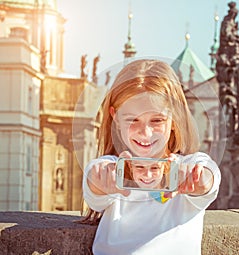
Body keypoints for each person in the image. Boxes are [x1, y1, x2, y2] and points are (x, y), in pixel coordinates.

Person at [82, 59, 221, 255]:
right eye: (133, 120)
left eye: (157, 120)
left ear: (175, 118)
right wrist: (99, 182)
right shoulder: (111, 166)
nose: (145, 133)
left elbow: (210, 176)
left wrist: (198, 180)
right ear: (115, 118)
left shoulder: (188, 164)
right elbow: (93, 186)